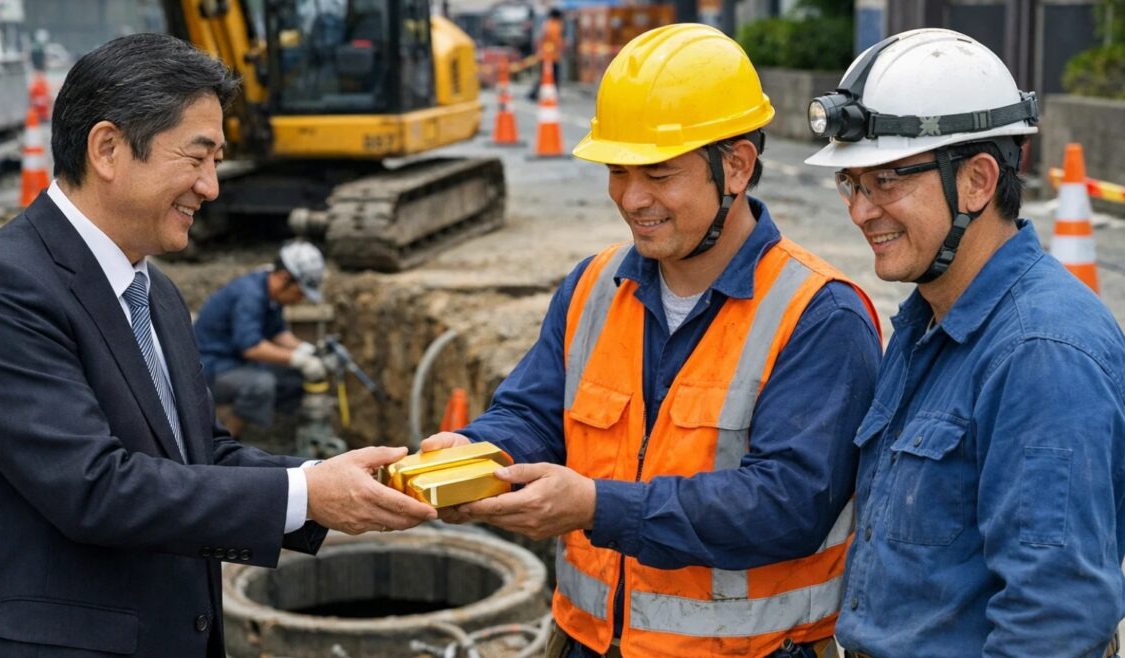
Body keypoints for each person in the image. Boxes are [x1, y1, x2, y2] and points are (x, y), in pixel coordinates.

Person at [0, 33, 436, 657]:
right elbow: (93, 487)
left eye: (217, 160)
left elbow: (197, 454)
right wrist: (305, 495)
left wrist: (323, 478)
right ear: (108, 149)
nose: (210, 186)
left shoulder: (155, 292)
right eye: (197, 157)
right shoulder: (2, 288)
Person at [423, 23, 882, 658]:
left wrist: (595, 507)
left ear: (737, 167)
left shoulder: (820, 316)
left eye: (659, 175)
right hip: (589, 642)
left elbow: (786, 507)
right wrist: (474, 453)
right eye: (618, 171)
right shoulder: (593, 286)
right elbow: (532, 413)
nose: (632, 198)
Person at [804, 28, 1125, 657]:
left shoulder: (1040, 355)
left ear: (978, 181)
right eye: (853, 184)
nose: (861, 212)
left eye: (888, 179)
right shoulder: (928, 318)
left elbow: (1053, 623)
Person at [194, 240, 329, 437]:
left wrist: (306, 349)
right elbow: (251, 347)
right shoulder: (250, 295)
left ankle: (272, 435)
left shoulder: (271, 293)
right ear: (284, 278)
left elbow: (277, 333)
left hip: (233, 362)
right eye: (300, 292)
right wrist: (298, 359)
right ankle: (224, 445)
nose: (300, 299)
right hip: (210, 368)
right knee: (260, 385)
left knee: (292, 378)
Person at [527, 7, 563, 102]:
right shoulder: (556, 26)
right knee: (552, 77)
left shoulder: (546, 24)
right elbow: (558, 42)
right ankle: (546, 94)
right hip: (552, 57)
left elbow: (540, 39)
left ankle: (534, 93)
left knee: (545, 76)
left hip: (545, 56)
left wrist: (539, 50)